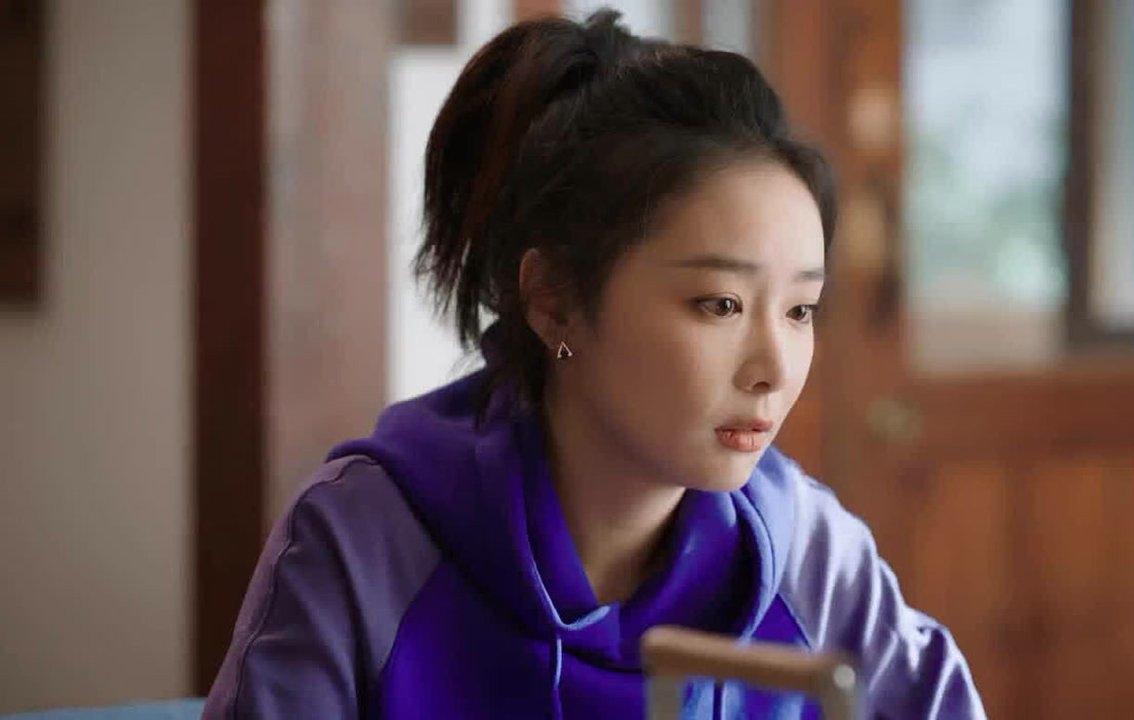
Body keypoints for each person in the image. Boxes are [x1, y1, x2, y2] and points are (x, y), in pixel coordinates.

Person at [202, 9, 985, 720]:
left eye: (800, 310)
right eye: (719, 304)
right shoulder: (365, 542)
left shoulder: (809, 555)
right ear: (553, 303)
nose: (774, 368)